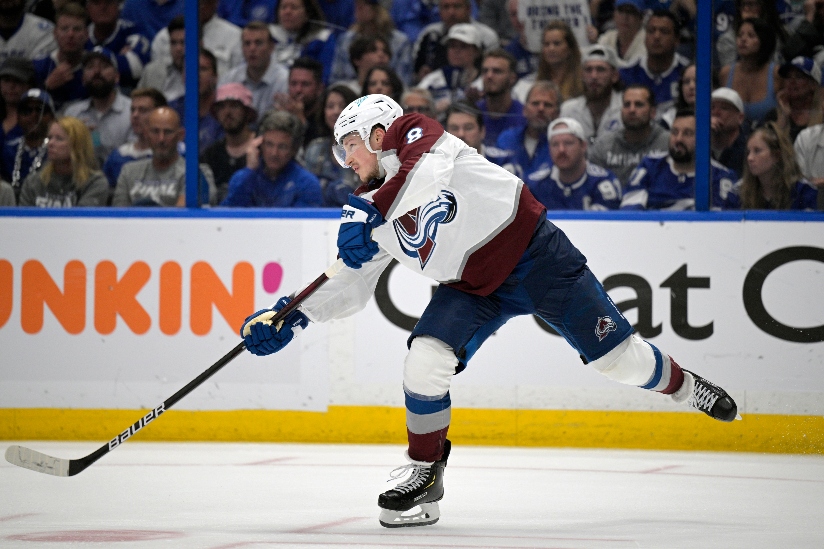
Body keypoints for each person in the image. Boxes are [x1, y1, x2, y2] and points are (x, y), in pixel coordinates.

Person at [236, 93, 740, 528]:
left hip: (537, 257)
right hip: (473, 287)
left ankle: (686, 387)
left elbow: (425, 174)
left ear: (375, 132)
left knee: (621, 363)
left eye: (348, 144)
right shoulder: (372, 206)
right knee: (424, 360)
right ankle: (425, 470)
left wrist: (373, 210)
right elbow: (348, 279)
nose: (345, 159)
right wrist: (291, 315)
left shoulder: (416, 133)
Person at [621, 109, 739, 210]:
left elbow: (722, 225)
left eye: (687, 133)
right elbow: (630, 214)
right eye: (674, 132)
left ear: (703, 138)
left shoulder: (720, 176)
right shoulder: (650, 166)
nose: (678, 139)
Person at [113, 106, 215, 206]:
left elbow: (183, 217)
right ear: (146, 134)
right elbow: (118, 217)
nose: (161, 139)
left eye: (167, 132)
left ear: (180, 135)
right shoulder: (129, 171)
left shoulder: (196, 172)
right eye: (155, 131)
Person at [221, 110, 323, 207]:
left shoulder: (307, 183)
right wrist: (249, 172)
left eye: (282, 147)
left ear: (294, 150)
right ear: (260, 144)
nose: (274, 153)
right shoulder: (242, 178)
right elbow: (225, 217)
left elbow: (304, 224)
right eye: (269, 144)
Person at [525, 117, 621, 210]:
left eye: (568, 143)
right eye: (555, 144)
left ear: (583, 146)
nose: (561, 150)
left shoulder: (603, 183)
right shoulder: (535, 186)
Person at [588, 83, 671, 188]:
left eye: (639, 104)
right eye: (627, 105)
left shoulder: (668, 143)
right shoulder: (603, 146)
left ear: (653, 112)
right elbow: (593, 187)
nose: (631, 110)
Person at [64, 46, 134, 167]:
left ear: (117, 77)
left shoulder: (132, 111)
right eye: (90, 67)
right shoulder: (73, 114)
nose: (96, 72)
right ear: (83, 79)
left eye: (104, 66)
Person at [17, 116, 109, 207]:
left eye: (59, 139)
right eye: (49, 138)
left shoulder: (94, 183)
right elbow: (22, 220)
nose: (51, 143)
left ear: (77, 145)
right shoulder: (33, 183)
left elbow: (82, 220)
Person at [618, 10, 690, 117]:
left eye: (664, 32)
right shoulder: (627, 72)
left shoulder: (687, 72)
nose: (656, 37)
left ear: (676, 40)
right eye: (651, 31)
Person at [150, 0, 242, 79]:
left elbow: (238, 78)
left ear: (216, 2)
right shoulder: (164, 38)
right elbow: (156, 77)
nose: (200, 5)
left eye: (204, 2)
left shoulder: (235, 37)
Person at [736, 121, 818, 210]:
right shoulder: (738, 192)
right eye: (748, 152)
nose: (749, 158)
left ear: (776, 155)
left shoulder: (803, 191)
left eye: (757, 151)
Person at [717, 18, 782, 129]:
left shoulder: (777, 74)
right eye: (740, 35)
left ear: (764, 41)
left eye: (751, 36)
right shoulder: (726, 73)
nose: (743, 39)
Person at [219, 21, 289, 124]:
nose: (252, 48)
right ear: (242, 48)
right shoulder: (229, 79)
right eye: (247, 43)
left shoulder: (284, 80)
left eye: (258, 43)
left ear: (271, 47)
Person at [412, 0, 498, 83]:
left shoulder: (487, 36)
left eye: (457, 6)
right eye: (446, 7)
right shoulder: (430, 34)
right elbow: (414, 71)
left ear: (469, 9)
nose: (451, 12)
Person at [330, 0, 412, 86]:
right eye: (357, 3)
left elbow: (403, 82)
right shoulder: (345, 40)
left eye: (365, 3)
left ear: (378, 7)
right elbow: (336, 81)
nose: (359, 7)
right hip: (351, 94)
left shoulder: (400, 42)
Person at [303, 84, 360, 207]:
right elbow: (306, 194)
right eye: (330, 106)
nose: (336, 112)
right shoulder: (314, 149)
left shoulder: (370, 152)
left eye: (343, 106)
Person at [200, 82, 258, 204]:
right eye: (221, 107)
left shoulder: (264, 148)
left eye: (234, 106)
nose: (227, 112)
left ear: (247, 111)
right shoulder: (210, 154)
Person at [102, 86, 167, 188]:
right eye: (133, 110)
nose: (135, 115)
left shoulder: (178, 153)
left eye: (143, 110)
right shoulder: (117, 157)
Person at [494, 80, 559, 179]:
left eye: (547, 105)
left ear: (557, 113)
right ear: (524, 110)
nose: (541, 109)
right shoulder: (507, 139)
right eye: (535, 103)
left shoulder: (562, 145)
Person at [558, 44, 623, 143]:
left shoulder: (626, 107)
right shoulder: (568, 110)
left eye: (601, 70)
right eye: (588, 70)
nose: (594, 76)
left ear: (614, 76)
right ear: (582, 76)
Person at [417, 23, 482, 119]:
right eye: (452, 46)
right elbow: (414, 104)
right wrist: (432, 110)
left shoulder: (484, 81)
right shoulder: (432, 80)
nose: (456, 51)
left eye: (463, 46)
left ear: (476, 51)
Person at [33, 2, 89, 111]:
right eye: (64, 29)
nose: (70, 35)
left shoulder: (95, 66)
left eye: (77, 29)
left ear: (86, 35)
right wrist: (46, 87)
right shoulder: (39, 66)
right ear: (55, 34)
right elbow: (24, 109)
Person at [85, 0, 152, 91]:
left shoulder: (134, 30)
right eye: (97, 3)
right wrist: (120, 58)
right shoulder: (81, 33)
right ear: (88, 9)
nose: (103, 7)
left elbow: (136, 68)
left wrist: (90, 64)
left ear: (118, 6)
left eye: (108, 3)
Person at [167, 48, 224, 153]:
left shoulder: (225, 111)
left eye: (202, 69)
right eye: (190, 69)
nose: (196, 75)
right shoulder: (171, 111)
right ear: (183, 76)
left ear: (215, 77)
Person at [513, 21, 584, 105]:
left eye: (557, 43)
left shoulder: (583, 82)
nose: (551, 48)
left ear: (569, 48)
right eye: (546, 44)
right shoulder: (526, 84)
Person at [2, 89, 55, 200]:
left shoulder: (57, 151)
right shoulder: (7, 150)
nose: (34, 115)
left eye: (40, 110)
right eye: (26, 111)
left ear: (52, 117)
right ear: (18, 117)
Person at [268, 0, 336, 83]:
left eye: (294, 7)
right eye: (283, 7)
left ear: (308, 13)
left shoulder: (322, 38)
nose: (287, 12)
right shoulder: (268, 34)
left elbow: (324, 77)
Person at [473, 49, 524, 149]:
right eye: (485, 71)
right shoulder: (473, 114)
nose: (489, 76)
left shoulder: (524, 116)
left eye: (497, 71)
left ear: (512, 78)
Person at [765, 57, 823, 144]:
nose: (792, 81)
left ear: (813, 84)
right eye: (788, 77)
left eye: (799, 76)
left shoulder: (822, 118)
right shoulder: (773, 116)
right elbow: (767, 148)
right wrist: (784, 117)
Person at [717, 0, 786, 68]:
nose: (746, 9)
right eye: (743, 4)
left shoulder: (778, 36)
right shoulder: (727, 40)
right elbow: (731, 75)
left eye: (752, 4)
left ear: (764, 7)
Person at [273, 57, 326, 147]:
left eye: (305, 84)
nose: (298, 90)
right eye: (293, 83)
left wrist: (300, 120)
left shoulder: (326, 119)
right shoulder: (280, 113)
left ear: (320, 88)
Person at [137, 16, 185, 103]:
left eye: (184, 42)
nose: (178, 48)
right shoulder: (152, 71)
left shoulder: (208, 71)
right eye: (173, 43)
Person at [710, 87, 749, 176]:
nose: (716, 112)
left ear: (740, 118)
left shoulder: (748, 150)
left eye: (724, 108)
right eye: (712, 107)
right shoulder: (697, 145)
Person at [597, 0, 646, 67]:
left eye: (631, 12)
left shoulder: (647, 40)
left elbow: (632, 69)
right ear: (614, 15)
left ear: (641, 18)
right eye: (621, 11)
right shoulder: (608, 37)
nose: (625, 17)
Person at [660, 62, 695, 129]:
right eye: (686, 82)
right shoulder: (670, 117)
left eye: (697, 81)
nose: (691, 86)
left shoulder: (717, 114)